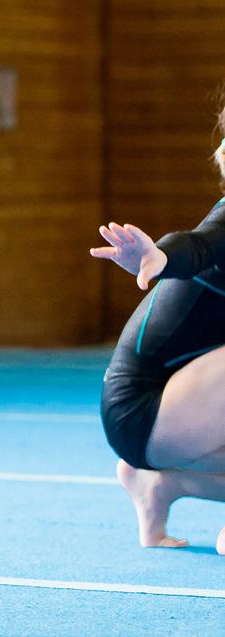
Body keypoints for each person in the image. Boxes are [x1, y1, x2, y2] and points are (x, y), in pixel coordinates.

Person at [91, 124, 225, 553]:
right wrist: (160, 257)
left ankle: (157, 487)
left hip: (179, 403)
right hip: (142, 404)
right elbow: (198, 247)